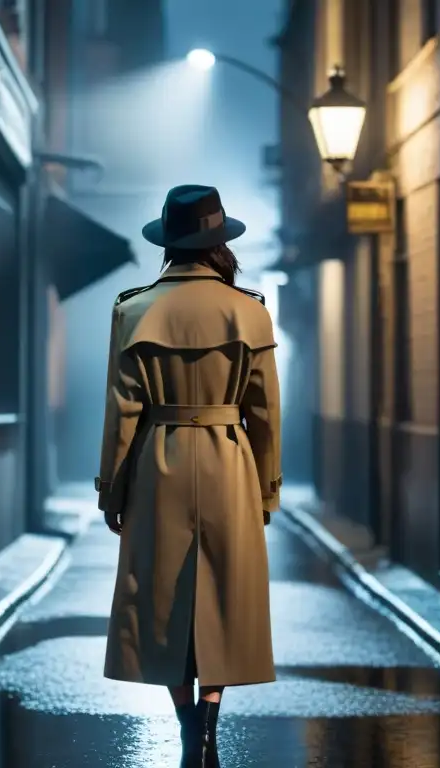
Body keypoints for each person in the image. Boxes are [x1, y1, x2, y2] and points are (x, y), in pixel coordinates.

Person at [95, 185, 282, 767]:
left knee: (162, 594)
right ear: (219, 243)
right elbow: (266, 413)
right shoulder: (249, 310)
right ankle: (209, 724)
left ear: (168, 241)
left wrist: (113, 490)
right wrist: (266, 487)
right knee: (224, 592)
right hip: (229, 462)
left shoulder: (133, 310)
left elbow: (123, 412)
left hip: (159, 460)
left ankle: (185, 727)